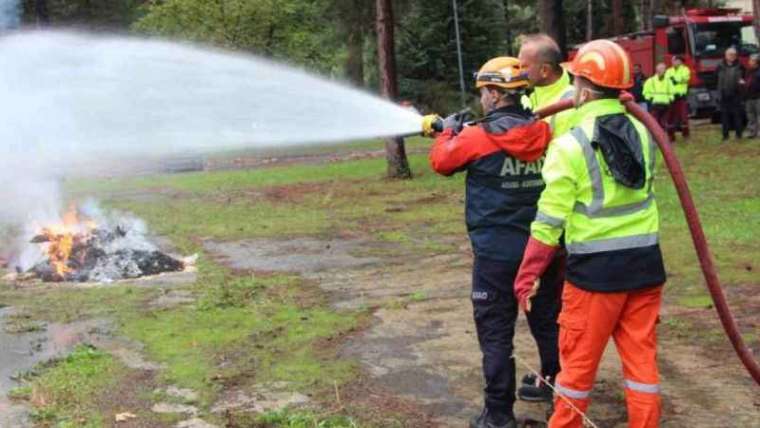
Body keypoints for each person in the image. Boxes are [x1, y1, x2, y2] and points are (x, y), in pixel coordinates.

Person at [514, 39, 666, 428]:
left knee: (577, 370)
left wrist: (527, 274)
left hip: (595, 278)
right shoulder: (643, 132)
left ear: (582, 87)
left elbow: (548, 223)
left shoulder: (570, 145)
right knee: (642, 366)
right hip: (646, 269)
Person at [421, 57, 563, 428]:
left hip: (496, 256)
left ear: (497, 94)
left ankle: (498, 414)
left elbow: (441, 162)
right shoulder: (545, 132)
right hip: (543, 250)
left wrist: (447, 131)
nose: (482, 98)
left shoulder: (475, 136)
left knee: (497, 333)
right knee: (549, 324)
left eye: (485, 92)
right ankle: (560, 398)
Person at [516, 32, 573, 402]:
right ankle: (554, 371)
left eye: (524, 65)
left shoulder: (569, 106)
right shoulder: (530, 95)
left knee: (546, 304)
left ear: (546, 69)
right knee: (546, 305)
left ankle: (556, 378)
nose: (518, 70)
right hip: (535, 214)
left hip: (560, 221)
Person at [519, 34, 577, 137]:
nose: (519, 72)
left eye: (524, 67)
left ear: (544, 70)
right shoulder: (526, 99)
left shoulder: (573, 104)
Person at [716, 47, 745, 140]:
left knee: (737, 115)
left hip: (736, 94)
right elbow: (715, 78)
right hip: (724, 94)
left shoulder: (740, 66)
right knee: (724, 116)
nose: (732, 56)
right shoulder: (720, 66)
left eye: (734, 55)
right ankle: (725, 135)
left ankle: (738, 134)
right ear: (726, 55)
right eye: (730, 54)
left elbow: (744, 78)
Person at [643, 63, 675, 140]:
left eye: (664, 69)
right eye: (662, 69)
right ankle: (656, 138)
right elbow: (645, 92)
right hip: (655, 104)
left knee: (663, 123)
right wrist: (650, 100)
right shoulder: (650, 81)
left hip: (666, 104)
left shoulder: (668, 81)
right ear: (657, 70)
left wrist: (671, 99)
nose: (664, 71)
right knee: (655, 123)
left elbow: (672, 92)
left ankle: (662, 138)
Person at [665, 56, 690, 140]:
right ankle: (671, 136)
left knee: (683, 117)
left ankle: (685, 134)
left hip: (681, 96)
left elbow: (684, 78)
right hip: (671, 97)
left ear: (681, 62)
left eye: (677, 61)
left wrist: (675, 79)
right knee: (670, 117)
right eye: (674, 61)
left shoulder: (685, 69)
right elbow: (667, 81)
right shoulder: (669, 71)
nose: (675, 62)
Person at [743, 54, 760, 138]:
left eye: (751, 60)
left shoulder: (758, 72)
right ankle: (752, 132)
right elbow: (747, 82)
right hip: (749, 97)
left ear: (756, 62)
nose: (749, 62)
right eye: (750, 60)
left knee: (758, 115)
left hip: (758, 97)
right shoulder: (748, 71)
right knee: (750, 115)